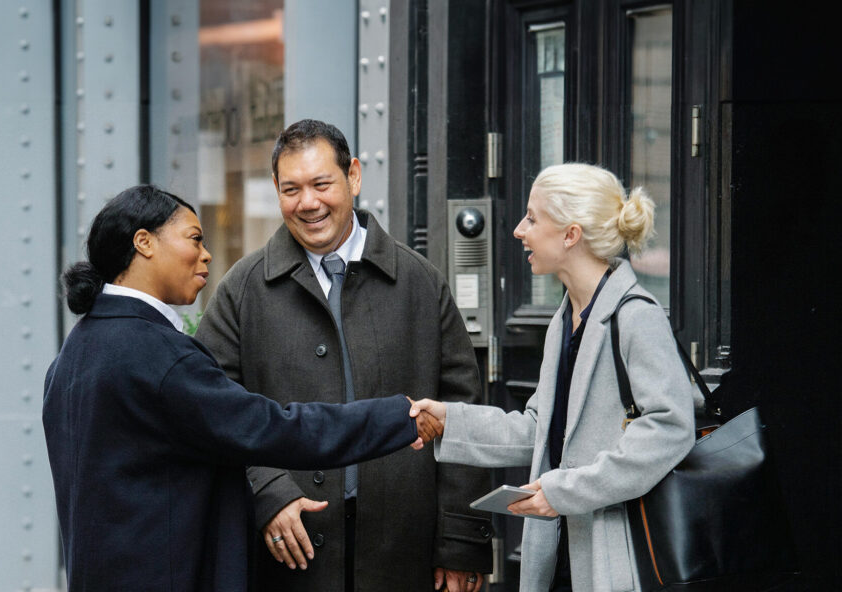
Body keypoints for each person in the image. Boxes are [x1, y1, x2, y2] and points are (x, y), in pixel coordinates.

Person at [42, 185, 442, 591]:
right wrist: (398, 417)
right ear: (144, 242)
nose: (206, 254)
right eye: (194, 238)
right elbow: (273, 429)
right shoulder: (156, 355)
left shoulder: (72, 356)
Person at [195, 119, 492, 592]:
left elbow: (463, 413)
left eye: (321, 184)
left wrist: (459, 543)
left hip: (405, 551)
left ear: (353, 176)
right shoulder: (242, 289)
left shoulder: (420, 282)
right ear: (275, 189)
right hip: (289, 560)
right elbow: (210, 410)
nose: (307, 203)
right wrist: (268, 491)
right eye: (291, 188)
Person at [409, 163, 697, 591]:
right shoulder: (565, 320)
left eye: (532, 217)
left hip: (617, 557)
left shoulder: (637, 317)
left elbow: (671, 428)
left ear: (570, 234)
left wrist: (565, 491)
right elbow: (538, 429)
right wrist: (450, 421)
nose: (519, 230)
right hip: (561, 554)